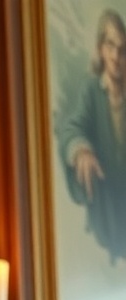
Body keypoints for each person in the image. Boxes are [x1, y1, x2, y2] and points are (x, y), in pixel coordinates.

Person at [59, 8, 126, 262]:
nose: (116, 56)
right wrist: (82, 151)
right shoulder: (91, 91)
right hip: (106, 206)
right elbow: (72, 128)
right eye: (111, 46)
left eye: (123, 48)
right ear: (100, 49)